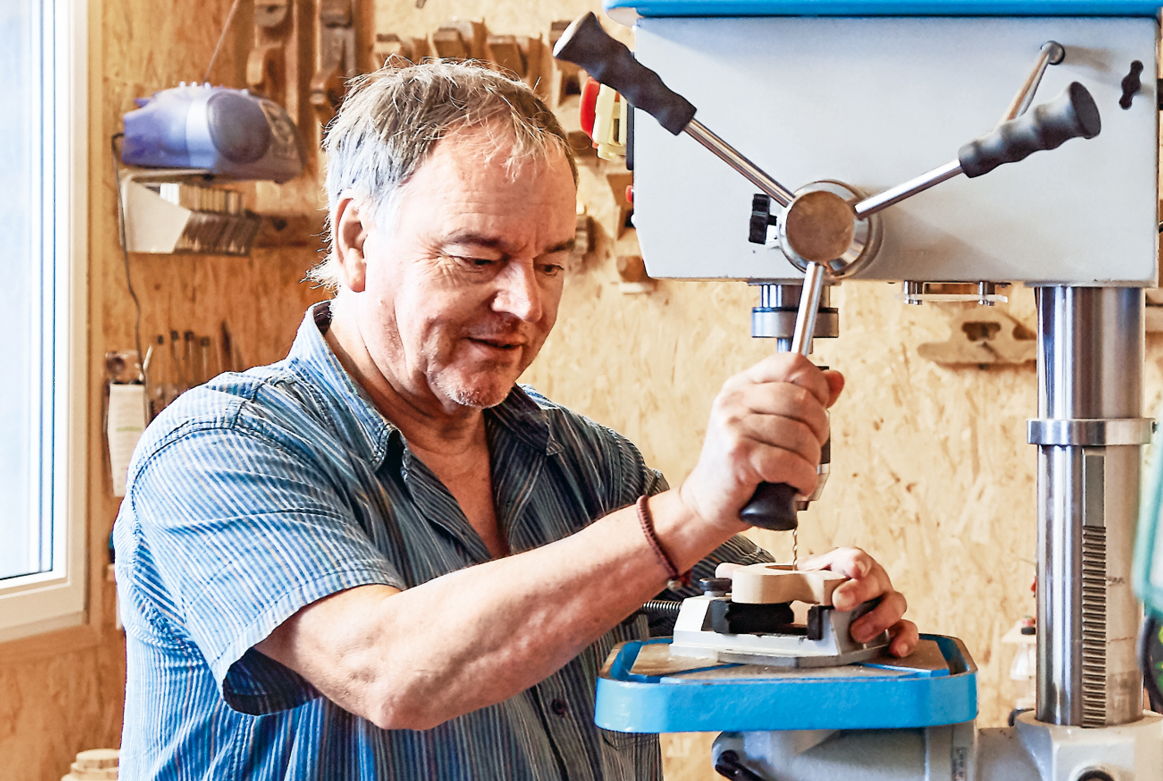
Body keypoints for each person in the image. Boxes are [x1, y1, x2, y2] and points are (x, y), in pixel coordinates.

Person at [111, 61, 916, 779]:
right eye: (479, 259)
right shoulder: (221, 449)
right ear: (357, 240)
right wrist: (687, 515)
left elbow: (747, 621)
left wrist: (830, 602)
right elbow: (387, 671)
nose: (526, 305)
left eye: (552, 263)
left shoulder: (590, 468)